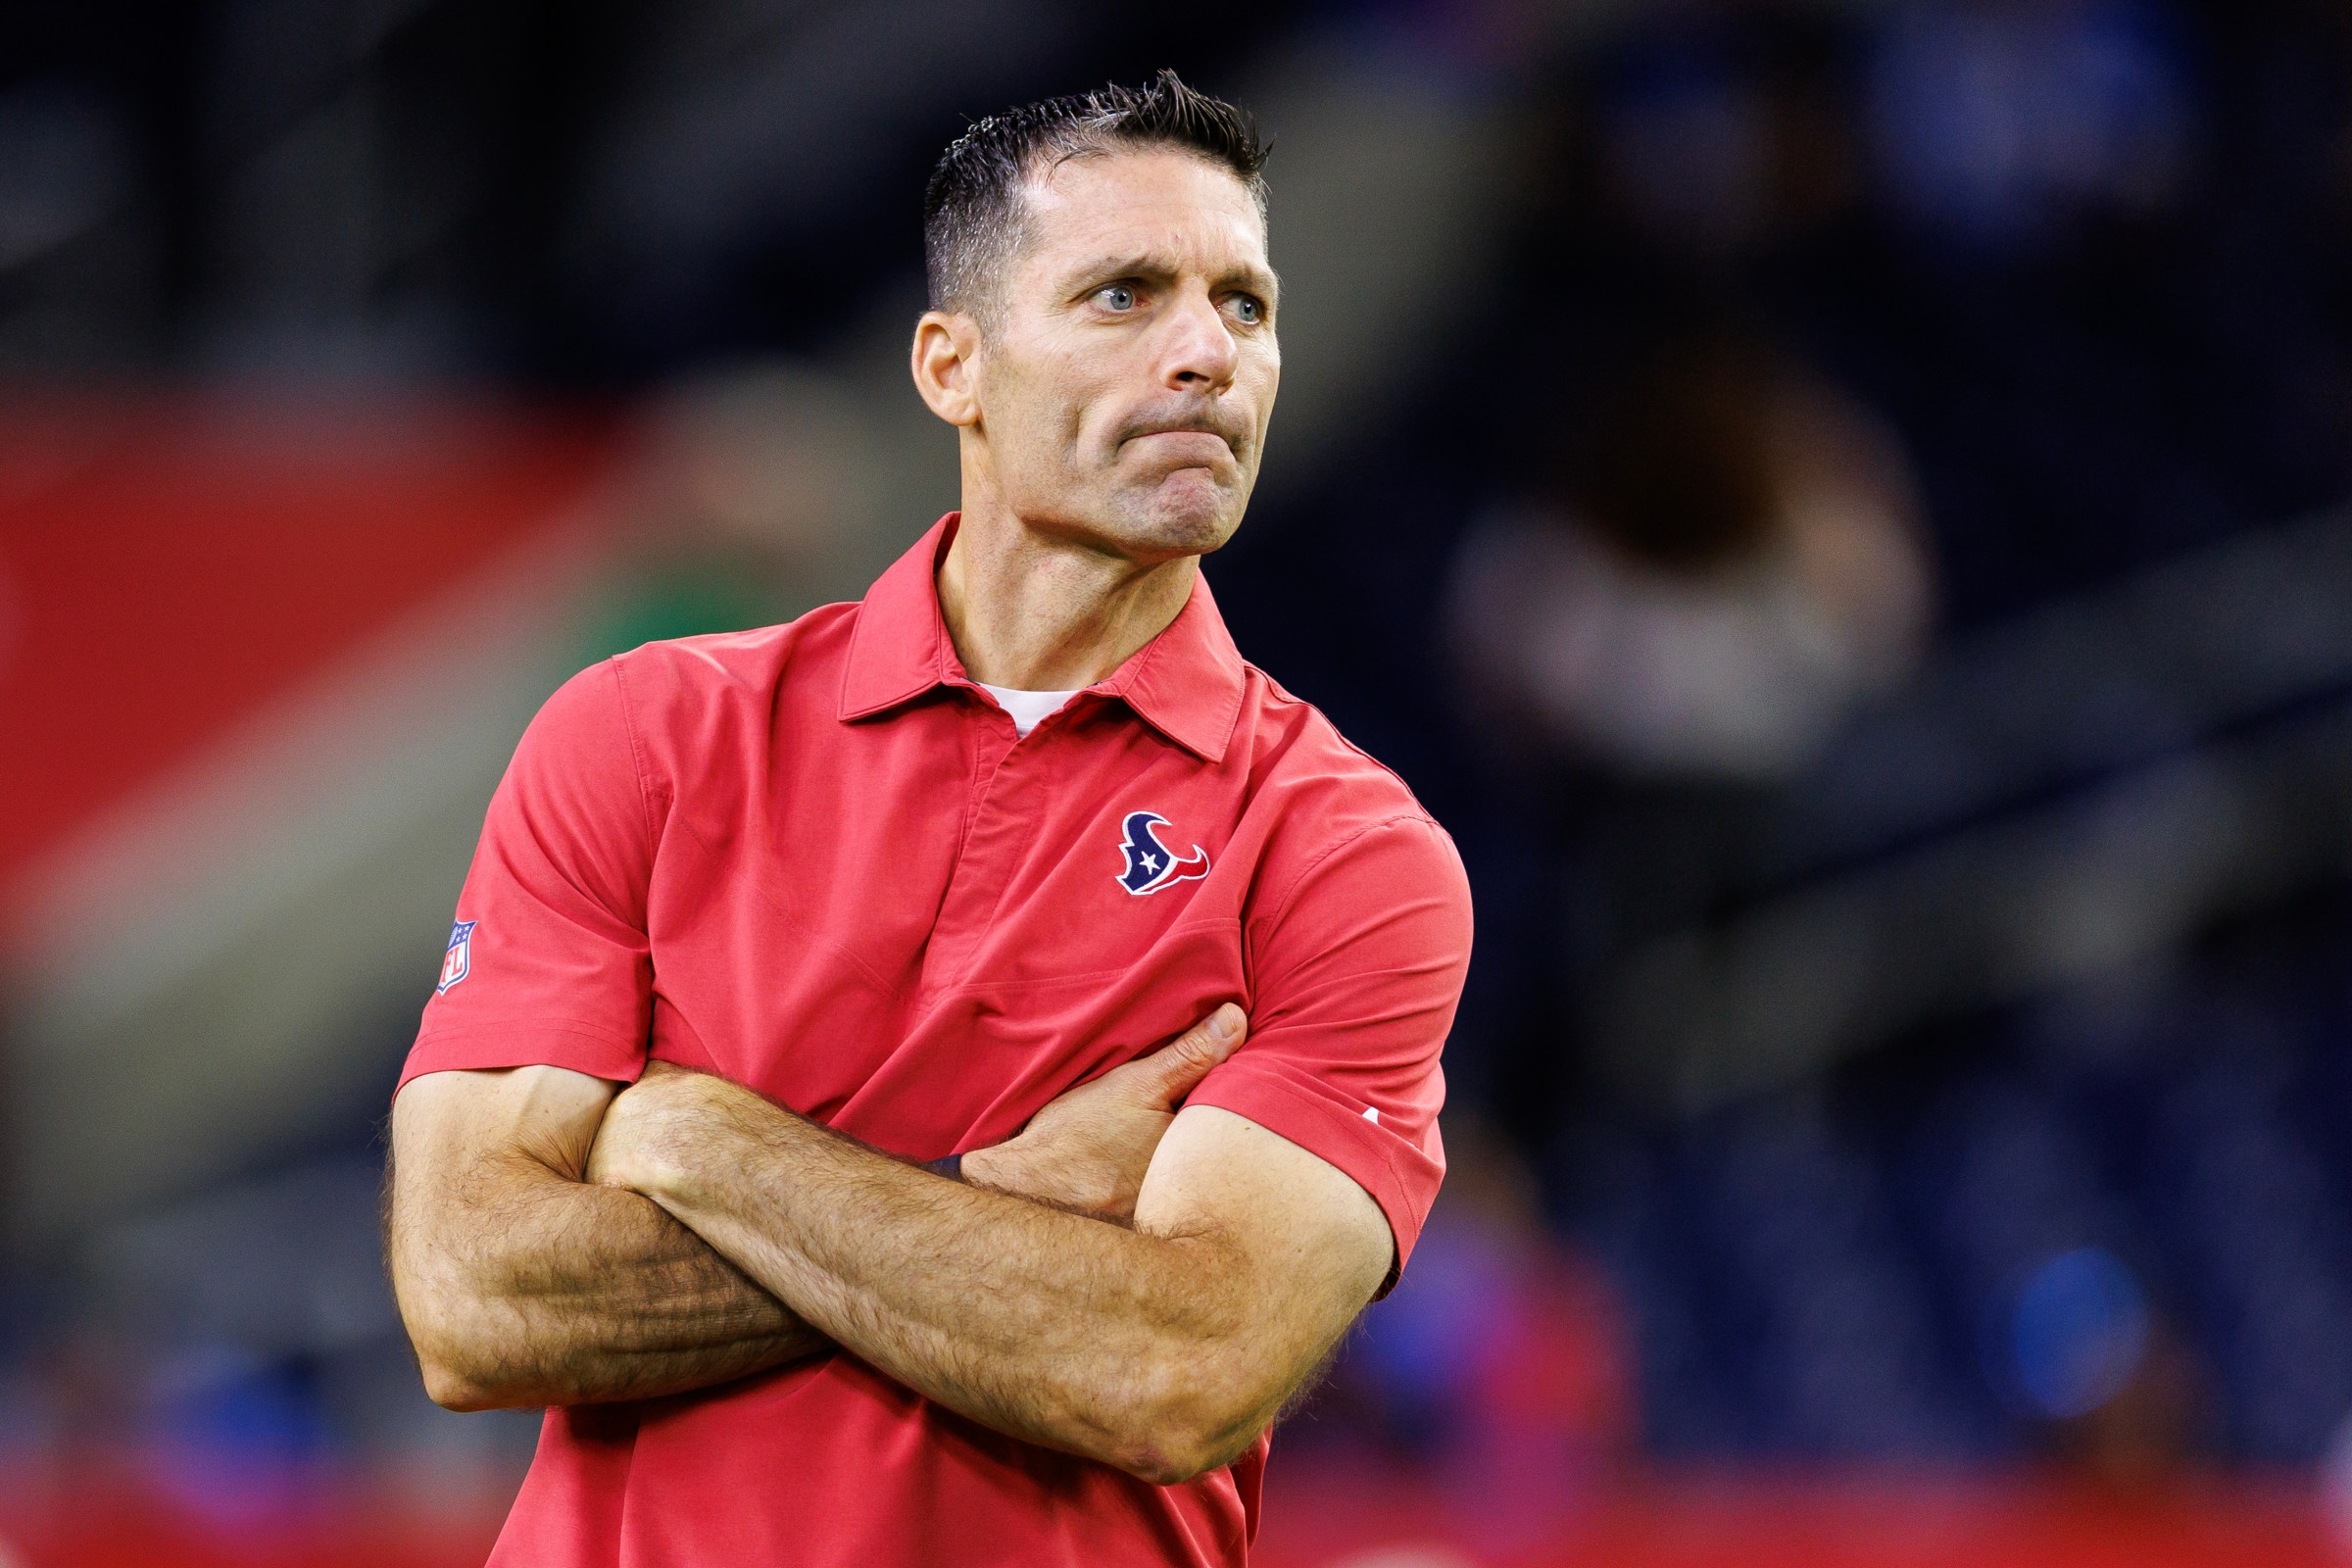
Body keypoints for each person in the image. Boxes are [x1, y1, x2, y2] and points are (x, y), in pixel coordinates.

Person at [383, 71, 1473, 1568]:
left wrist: (702, 1141)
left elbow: (1175, 1370)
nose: (1207, 354)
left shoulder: (1349, 854)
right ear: (953, 367)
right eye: (1124, 294)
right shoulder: (644, 737)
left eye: (1246, 305)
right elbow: (477, 1304)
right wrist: (1002, 1200)